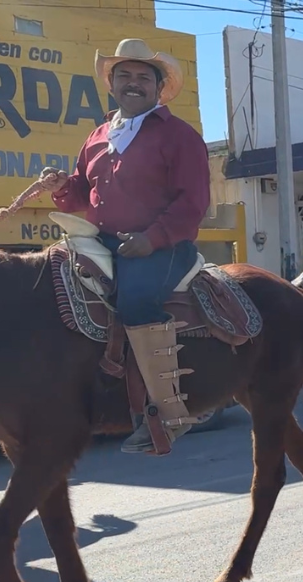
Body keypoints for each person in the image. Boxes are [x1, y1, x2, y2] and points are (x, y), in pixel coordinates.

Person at [41, 39, 209, 455]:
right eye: (124, 77)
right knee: (53, 286)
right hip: (106, 241)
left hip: (164, 247)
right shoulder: (97, 135)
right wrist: (63, 188)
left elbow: (193, 202)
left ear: (158, 86)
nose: (133, 84)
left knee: (134, 302)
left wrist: (152, 238)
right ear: (112, 84)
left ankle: (168, 415)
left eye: (142, 77)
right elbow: (83, 194)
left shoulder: (179, 136)